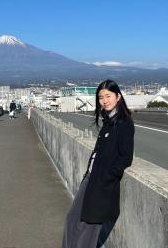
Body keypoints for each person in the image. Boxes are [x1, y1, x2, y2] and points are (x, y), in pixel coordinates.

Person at [62, 79, 135, 248]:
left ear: (118, 96)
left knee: (89, 228)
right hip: (90, 178)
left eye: (108, 96)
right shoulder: (108, 121)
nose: (104, 100)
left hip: (102, 183)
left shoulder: (124, 123)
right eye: (101, 97)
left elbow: (126, 157)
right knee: (73, 220)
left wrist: (107, 177)